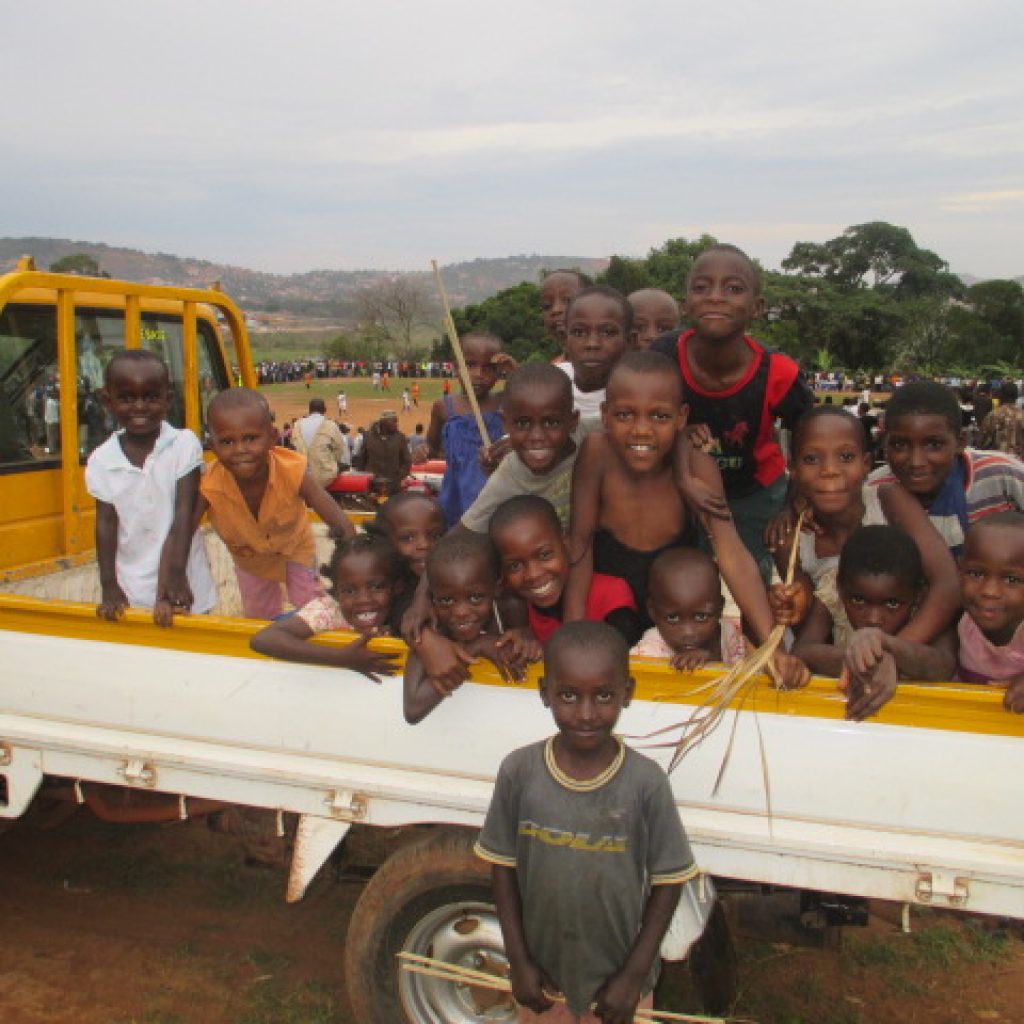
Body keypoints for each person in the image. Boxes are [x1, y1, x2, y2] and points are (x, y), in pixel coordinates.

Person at [476, 621, 696, 1023]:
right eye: (569, 696)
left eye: (604, 696)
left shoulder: (645, 782)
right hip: (543, 982)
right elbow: (502, 868)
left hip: (617, 989)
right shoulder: (519, 772)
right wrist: (518, 960)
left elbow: (670, 879)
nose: (586, 713)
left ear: (627, 694)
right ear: (545, 694)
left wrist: (634, 976)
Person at [565, 352, 808, 689]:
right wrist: (571, 636)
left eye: (659, 416)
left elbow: (731, 552)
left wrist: (773, 648)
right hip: (610, 612)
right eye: (624, 415)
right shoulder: (597, 453)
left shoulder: (698, 466)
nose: (641, 430)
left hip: (674, 618)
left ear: (681, 418)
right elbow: (580, 544)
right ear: (605, 415)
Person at [652, 244, 814, 582]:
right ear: (685, 305)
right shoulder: (664, 355)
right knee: (685, 578)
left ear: (757, 308)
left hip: (755, 491)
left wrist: (791, 504)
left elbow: (808, 440)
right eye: (701, 287)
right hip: (679, 482)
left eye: (734, 288)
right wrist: (681, 451)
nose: (715, 297)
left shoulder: (778, 373)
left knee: (751, 574)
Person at [771, 406, 960, 658]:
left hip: (906, 656)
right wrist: (790, 605)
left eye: (846, 457)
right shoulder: (791, 540)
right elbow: (809, 623)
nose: (830, 470)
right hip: (839, 667)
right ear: (792, 468)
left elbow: (947, 584)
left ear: (866, 464)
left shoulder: (887, 502)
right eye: (811, 459)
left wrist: (887, 653)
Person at [195, 388, 355, 619]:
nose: (240, 450)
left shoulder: (291, 469)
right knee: (259, 615)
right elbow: (182, 530)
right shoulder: (209, 485)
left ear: (272, 438)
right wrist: (174, 574)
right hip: (250, 559)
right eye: (227, 441)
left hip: (295, 548)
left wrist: (351, 557)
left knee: (313, 608)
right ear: (212, 444)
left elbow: (334, 515)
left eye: (250, 438)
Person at [85, 349, 217, 626]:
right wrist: (109, 585)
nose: (140, 407)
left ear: (167, 399)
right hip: (132, 589)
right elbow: (106, 525)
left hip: (185, 584)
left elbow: (184, 513)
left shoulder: (183, 444)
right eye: (126, 398)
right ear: (107, 400)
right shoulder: (101, 460)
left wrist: (176, 577)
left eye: (151, 396)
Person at [790, 526, 956, 718]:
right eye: (858, 601)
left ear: (917, 595)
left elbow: (944, 664)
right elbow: (802, 650)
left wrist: (888, 647)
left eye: (892, 604)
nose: (873, 618)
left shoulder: (927, 609)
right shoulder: (832, 594)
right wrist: (864, 661)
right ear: (840, 588)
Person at [867, 380, 1024, 556]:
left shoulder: (1003, 475)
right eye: (899, 445)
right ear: (884, 444)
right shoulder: (873, 492)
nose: (916, 461)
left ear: (960, 442)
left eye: (933, 444)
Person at [489, 495, 642, 647]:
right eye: (515, 566)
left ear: (566, 541)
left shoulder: (611, 594)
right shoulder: (517, 610)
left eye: (544, 555)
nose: (533, 574)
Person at [249, 533, 403, 683]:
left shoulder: (405, 611)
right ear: (336, 593)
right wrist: (343, 658)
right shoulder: (329, 610)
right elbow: (264, 639)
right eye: (349, 591)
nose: (363, 599)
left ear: (397, 587)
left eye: (376, 587)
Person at [402, 532, 520, 724]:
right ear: (432, 598)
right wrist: (477, 647)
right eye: (446, 600)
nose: (460, 612)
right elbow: (413, 709)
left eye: (475, 597)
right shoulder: (431, 629)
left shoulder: (511, 609)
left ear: (497, 587)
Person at [461, 363, 580, 534]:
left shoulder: (591, 436)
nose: (537, 436)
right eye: (522, 424)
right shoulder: (508, 474)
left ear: (573, 421)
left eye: (551, 422)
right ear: (506, 424)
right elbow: (466, 532)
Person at [424, 332, 507, 527]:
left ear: (500, 371)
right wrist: (424, 450)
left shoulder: (507, 402)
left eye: (489, 368)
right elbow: (432, 446)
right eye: (470, 365)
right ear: (456, 368)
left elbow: (534, 392)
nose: (478, 375)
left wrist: (515, 371)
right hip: (457, 496)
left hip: (497, 493)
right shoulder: (443, 407)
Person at [631, 547, 746, 670]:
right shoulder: (648, 653)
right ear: (652, 611)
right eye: (673, 618)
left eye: (701, 617)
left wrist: (712, 661)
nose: (688, 632)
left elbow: (746, 676)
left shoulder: (730, 636)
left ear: (720, 608)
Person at [955, 511, 1024, 713]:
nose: (989, 591)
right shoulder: (964, 621)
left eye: (1012, 580)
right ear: (959, 572)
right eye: (976, 574)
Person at [558, 286, 630, 435]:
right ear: (565, 339)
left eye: (608, 332)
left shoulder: (636, 397)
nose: (592, 343)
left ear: (627, 342)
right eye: (579, 332)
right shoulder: (552, 381)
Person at [291, 398, 350, 488]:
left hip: (302, 474)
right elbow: (339, 449)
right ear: (325, 410)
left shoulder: (297, 425)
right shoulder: (331, 425)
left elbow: (293, 447)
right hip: (325, 475)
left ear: (309, 411)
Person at [353, 410, 411, 496]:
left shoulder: (400, 438)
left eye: (396, 421)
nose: (396, 424)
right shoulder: (368, 437)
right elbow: (361, 460)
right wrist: (365, 477)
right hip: (372, 485)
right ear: (383, 422)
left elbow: (406, 461)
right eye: (394, 421)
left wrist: (398, 477)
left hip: (393, 486)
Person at [539, 269, 591, 352]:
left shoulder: (613, 362)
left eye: (568, 301)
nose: (556, 310)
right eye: (547, 306)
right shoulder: (556, 365)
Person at [979, 382, 1024, 457]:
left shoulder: (993, 415)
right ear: (1016, 397)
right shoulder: (1022, 415)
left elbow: (983, 442)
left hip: (998, 462)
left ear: (1001, 396)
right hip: (1019, 463)